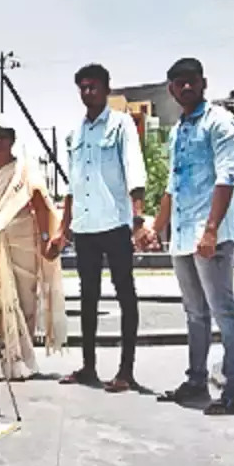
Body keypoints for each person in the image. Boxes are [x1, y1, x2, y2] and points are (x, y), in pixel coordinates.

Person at [144, 58, 234, 415]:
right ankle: (196, 381)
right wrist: (155, 228)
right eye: (178, 83)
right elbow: (173, 186)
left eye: (191, 82)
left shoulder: (221, 123)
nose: (185, 88)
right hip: (183, 235)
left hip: (212, 236)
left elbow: (227, 178)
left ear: (203, 84)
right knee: (194, 313)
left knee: (223, 311)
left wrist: (210, 231)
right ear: (171, 90)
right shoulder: (178, 131)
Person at [53, 64, 152, 393]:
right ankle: (89, 367)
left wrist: (138, 220)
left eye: (93, 86)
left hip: (115, 223)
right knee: (88, 298)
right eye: (82, 87)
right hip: (85, 228)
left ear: (106, 88)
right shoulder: (75, 133)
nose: (87, 92)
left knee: (125, 294)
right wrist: (63, 229)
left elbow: (134, 172)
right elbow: (72, 185)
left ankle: (127, 370)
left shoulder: (122, 124)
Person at [0, 123, 67, 380]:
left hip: (22, 244)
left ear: (12, 140)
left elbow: (40, 204)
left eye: (2, 137)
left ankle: (19, 360)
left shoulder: (24, 170)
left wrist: (45, 239)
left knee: (22, 300)